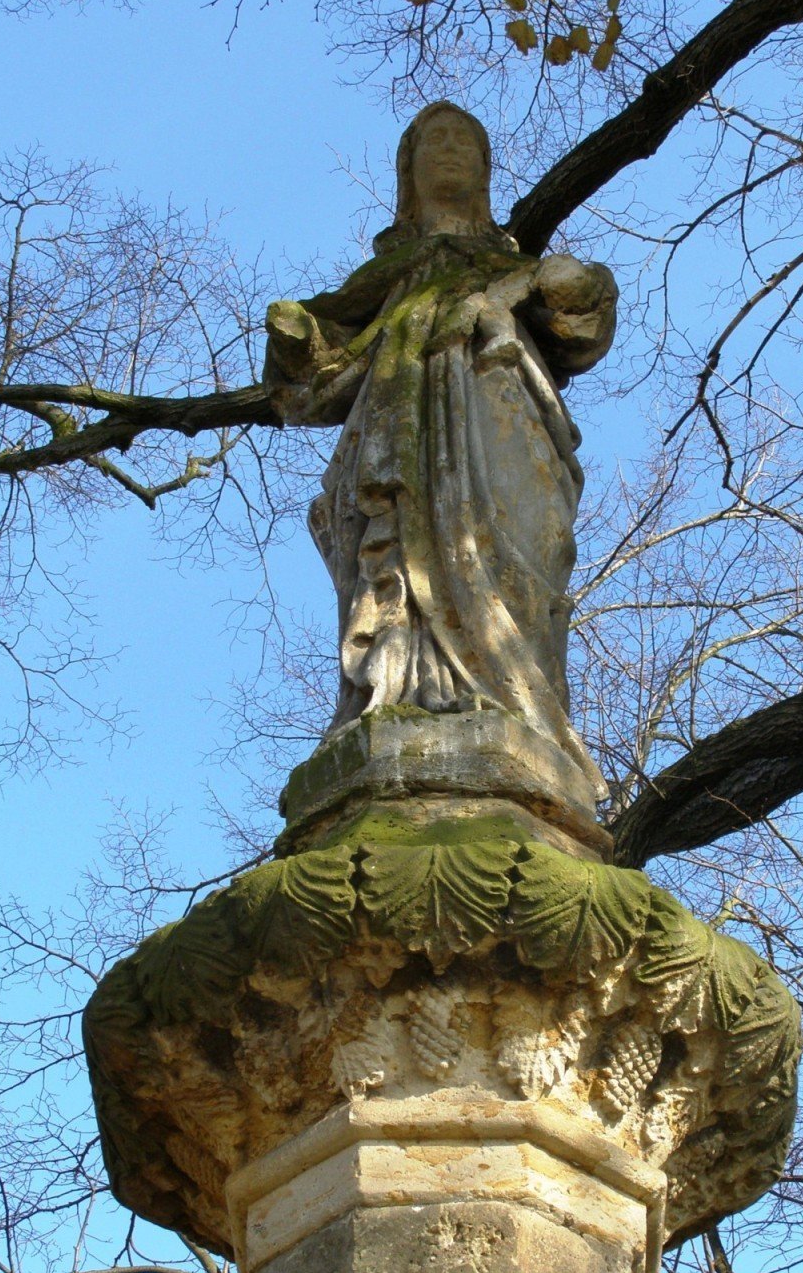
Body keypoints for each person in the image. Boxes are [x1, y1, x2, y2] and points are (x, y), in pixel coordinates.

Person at [264, 102, 617, 797]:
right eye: (435, 140)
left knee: (524, 558)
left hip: (501, 414)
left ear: (486, 170)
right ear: (407, 173)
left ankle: (524, 713)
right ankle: (405, 693)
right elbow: (317, 371)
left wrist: (564, 286)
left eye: (465, 140)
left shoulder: (513, 269)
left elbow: (582, 322)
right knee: (399, 559)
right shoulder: (389, 280)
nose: (450, 148)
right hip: (400, 434)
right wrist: (298, 338)